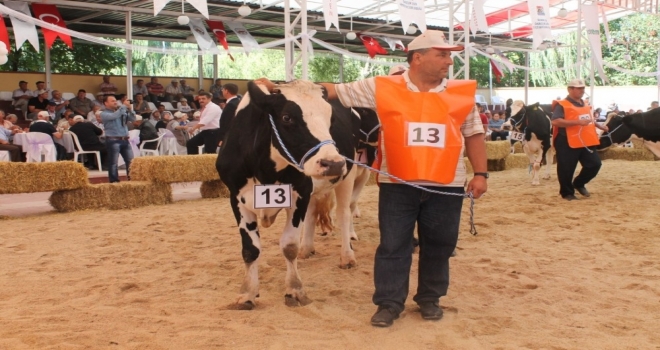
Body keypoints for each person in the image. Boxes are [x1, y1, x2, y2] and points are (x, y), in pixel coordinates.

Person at [257, 29, 487, 328]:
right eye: (442, 54)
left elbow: (475, 133)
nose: (449, 61)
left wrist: (480, 174)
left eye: (449, 55)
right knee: (393, 244)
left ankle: (430, 299)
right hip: (397, 183)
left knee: (440, 245)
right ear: (418, 58)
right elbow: (333, 90)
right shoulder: (382, 86)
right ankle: (389, 303)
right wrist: (281, 88)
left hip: (448, 183)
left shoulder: (461, 92)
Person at [551, 79, 609, 201]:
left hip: (585, 139)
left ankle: (578, 183)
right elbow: (555, 121)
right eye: (579, 88)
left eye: (583, 88)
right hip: (566, 140)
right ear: (570, 89)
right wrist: (577, 122)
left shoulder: (585, 103)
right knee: (566, 168)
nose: (582, 90)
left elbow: (588, 119)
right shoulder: (562, 104)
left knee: (595, 164)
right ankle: (567, 193)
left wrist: (599, 125)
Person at [101, 95, 136, 183]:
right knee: (113, 163)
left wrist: (130, 109)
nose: (115, 102)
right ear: (106, 103)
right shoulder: (104, 113)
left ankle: (131, 179)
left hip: (125, 139)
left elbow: (133, 119)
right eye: (112, 101)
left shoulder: (121, 111)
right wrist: (124, 106)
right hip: (113, 140)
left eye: (115, 100)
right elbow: (114, 116)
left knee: (131, 161)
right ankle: (114, 181)